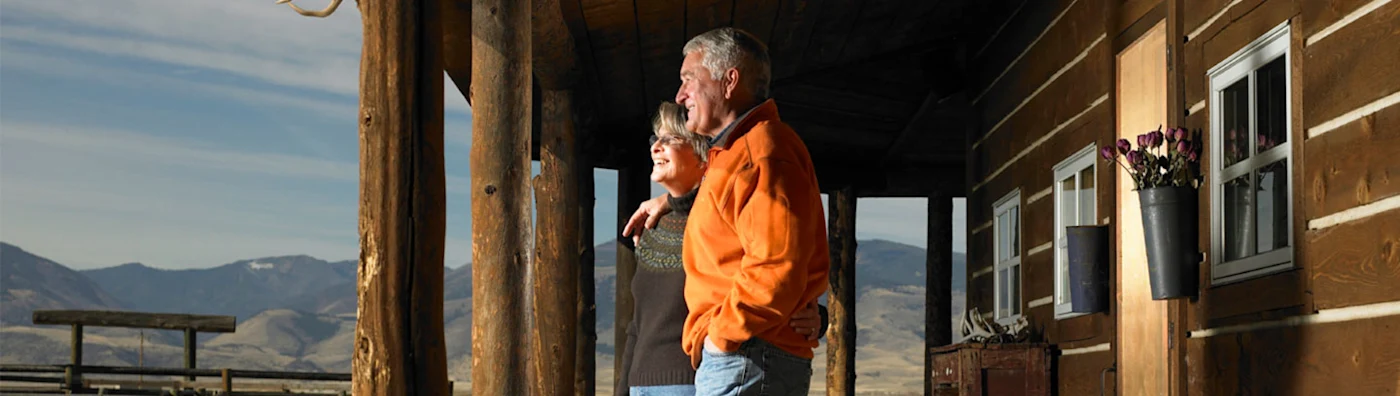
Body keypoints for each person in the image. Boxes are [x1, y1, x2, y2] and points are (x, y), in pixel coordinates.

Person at [623, 27, 830, 395]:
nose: (680, 94)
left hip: (747, 355)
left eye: (690, 79)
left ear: (729, 80)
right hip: (741, 355)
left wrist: (721, 337)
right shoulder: (732, 156)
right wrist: (667, 202)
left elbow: (775, 266)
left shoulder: (763, 151)